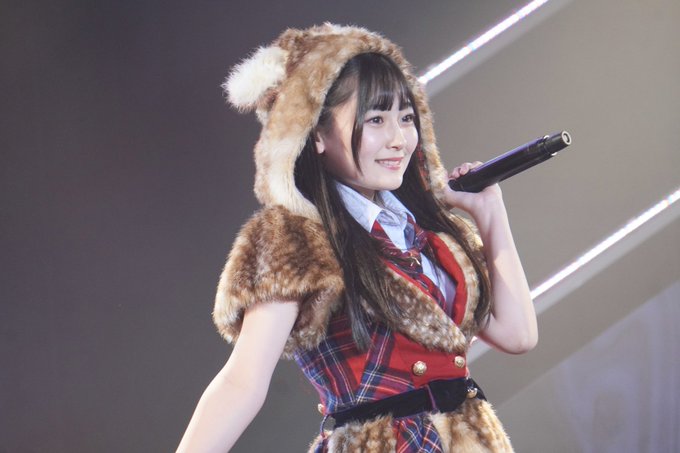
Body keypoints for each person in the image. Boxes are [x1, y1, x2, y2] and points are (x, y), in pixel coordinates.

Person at [177, 24, 537, 453]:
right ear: (316, 133)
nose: (399, 139)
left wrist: (490, 213)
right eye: (376, 120)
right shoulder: (296, 239)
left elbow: (517, 335)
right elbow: (242, 381)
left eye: (407, 118)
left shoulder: (431, 236)